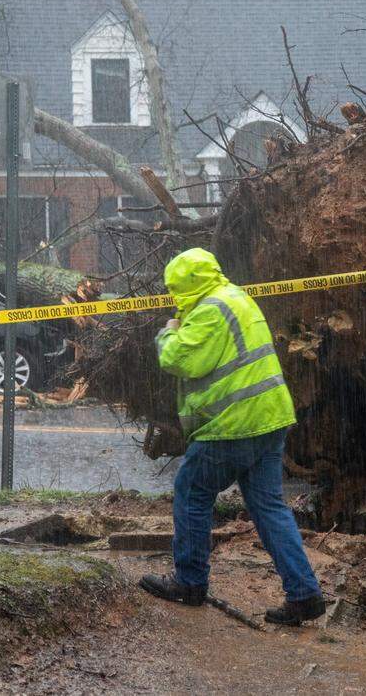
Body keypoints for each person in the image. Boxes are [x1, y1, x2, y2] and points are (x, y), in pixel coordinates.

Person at [139, 247, 326, 626]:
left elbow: (180, 359)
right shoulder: (237, 297)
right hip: (268, 420)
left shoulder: (209, 310)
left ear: (186, 287)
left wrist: (166, 333)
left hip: (231, 425)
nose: (174, 298)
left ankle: (189, 583)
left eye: (176, 290)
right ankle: (304, 592)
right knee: (269, 508)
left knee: (192, 493)